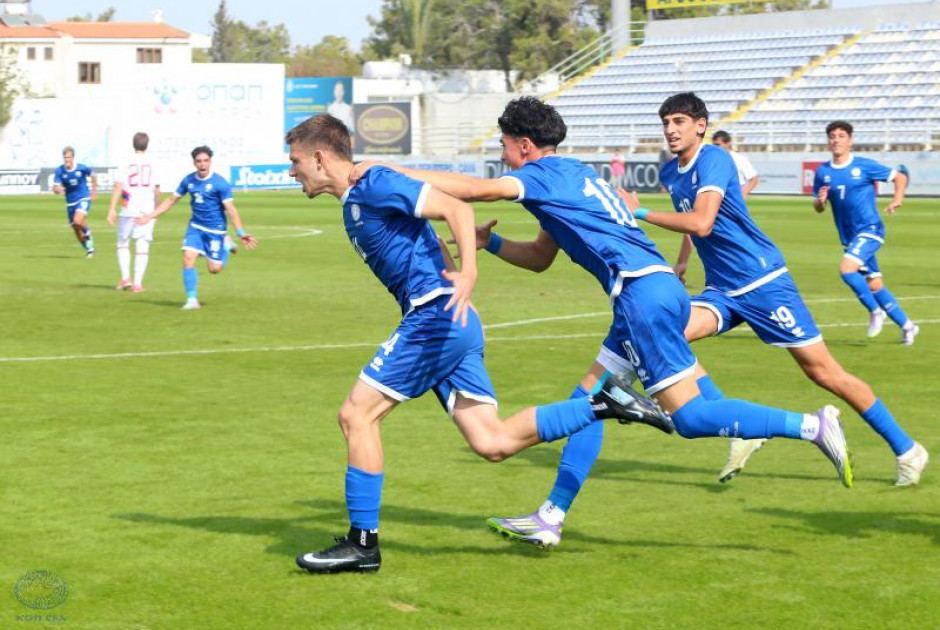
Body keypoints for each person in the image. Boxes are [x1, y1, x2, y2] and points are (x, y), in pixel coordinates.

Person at [352, 96, 854, 550]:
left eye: (505, 146)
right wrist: (493, 243)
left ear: (525, 145)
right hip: (652, 291)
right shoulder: (576, 174)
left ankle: (812, 425)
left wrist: (390, 169)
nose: (503, 156)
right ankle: (550, 517)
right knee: (587, 402)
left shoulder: (539, 176)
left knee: (689, 419)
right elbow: (540, 258)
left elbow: (474, 189)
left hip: (642, 298)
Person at [285, 114, 670, 574]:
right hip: (453, 322)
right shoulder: (359, 192)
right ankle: (604, 404)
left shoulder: (373, 184)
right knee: (493, 442)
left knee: (356, 415)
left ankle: (362, 544)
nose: (292, 171)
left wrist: (468, 270)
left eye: (295, 161)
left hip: (436, 316)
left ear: (320, 157)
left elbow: (458, 210)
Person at [619, 93, 926, 490]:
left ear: (700, 125)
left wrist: (639, 212)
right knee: (667, 334)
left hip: (762, 282)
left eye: (679, 121)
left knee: (824, 372)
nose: (670, 130)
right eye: (666, 123)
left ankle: (907, 449)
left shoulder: (714, 159)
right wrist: (682, 262)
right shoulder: (671, 172)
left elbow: (701, 222)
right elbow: (693, 226)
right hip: (722, 289)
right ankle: (740, 431)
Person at [813, 120, 918, 345]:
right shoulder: (823, 171)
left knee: (846, 270)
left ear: (850, 141)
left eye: (841, 136)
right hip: (848, 237)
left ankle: (874, 311)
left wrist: (897, 199)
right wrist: (820, 202)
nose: (836, 140)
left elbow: (899, 177)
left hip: (870, 229)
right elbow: (818, 207)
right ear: (828, 141)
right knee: (874, 285)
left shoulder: (863, 165)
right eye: (832, 136)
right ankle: (908, 326)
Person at [136, 146, 257, 310]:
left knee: (214, 269)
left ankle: (226, 246)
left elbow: (231, 209)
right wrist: (149, 217)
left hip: (216, 230)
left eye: (205, 161)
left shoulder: (220, 183)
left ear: (210, 162)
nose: (202, 164)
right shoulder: (188, 181)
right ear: (194, 163)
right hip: (196, 227)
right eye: (199, 161)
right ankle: (192, 300)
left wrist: (240, 232)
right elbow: (171, 200)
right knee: (188, 258)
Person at [107, 132, 161, 292]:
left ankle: (126, 279)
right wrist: (157, 210)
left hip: (128, 208)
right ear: (147, 144)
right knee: (142, 245)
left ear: (133, 144)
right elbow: (157, 190)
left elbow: (118, 186)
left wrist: (111, 209)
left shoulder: (126, 160)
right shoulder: (153, 162)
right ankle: (137, 284)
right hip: (146, 210)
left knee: (123, 243)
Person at [53, 146, 97, 258]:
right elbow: (55, 187)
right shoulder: (59, 170)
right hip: (70, 202)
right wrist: (58, 189)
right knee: (76, 229)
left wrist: (94, 191)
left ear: (73, 158)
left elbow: (93, 175)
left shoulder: (82, 168)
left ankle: (88, 232)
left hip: (83, 198)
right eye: (65, 157)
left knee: (77, 221)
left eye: (69, 157)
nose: (67, 160)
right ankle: (89, 249)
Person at [711, 130, 759, 198]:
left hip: (734, 194)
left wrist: (744, 193)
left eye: (718, 145)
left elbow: (754, 178)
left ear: (727, 143)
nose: (716, 148)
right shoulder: (712, 159)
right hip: (717, 193)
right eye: (714, 145)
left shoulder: (739, 159)